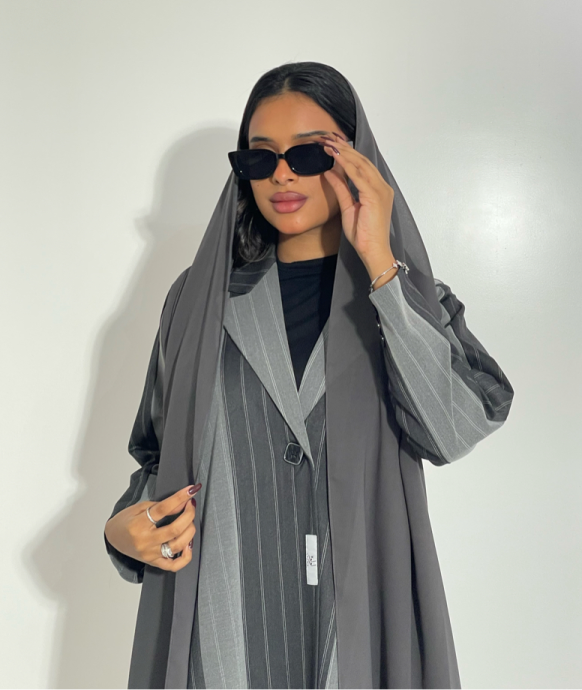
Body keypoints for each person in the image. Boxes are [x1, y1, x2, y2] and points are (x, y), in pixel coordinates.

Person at [104, 62, 515, 689]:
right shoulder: (200, 301)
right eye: (260, 157)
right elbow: (160, 450)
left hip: (360, 621)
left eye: (308, 153)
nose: (282, 174)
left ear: (356, 157)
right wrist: (123, 528)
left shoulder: (406, 301)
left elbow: (452, 430)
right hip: (225, 618)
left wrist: (381, 265)